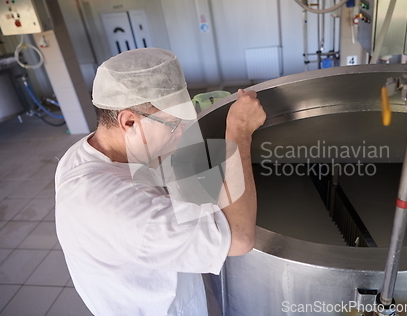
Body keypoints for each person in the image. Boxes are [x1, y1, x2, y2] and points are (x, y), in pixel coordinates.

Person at [55, 48, 266, 315]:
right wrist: (240, 130)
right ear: (129, 121)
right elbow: (239, 237)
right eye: (173, 125)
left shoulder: (87, 151)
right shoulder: (115, 208)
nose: (181, 133)